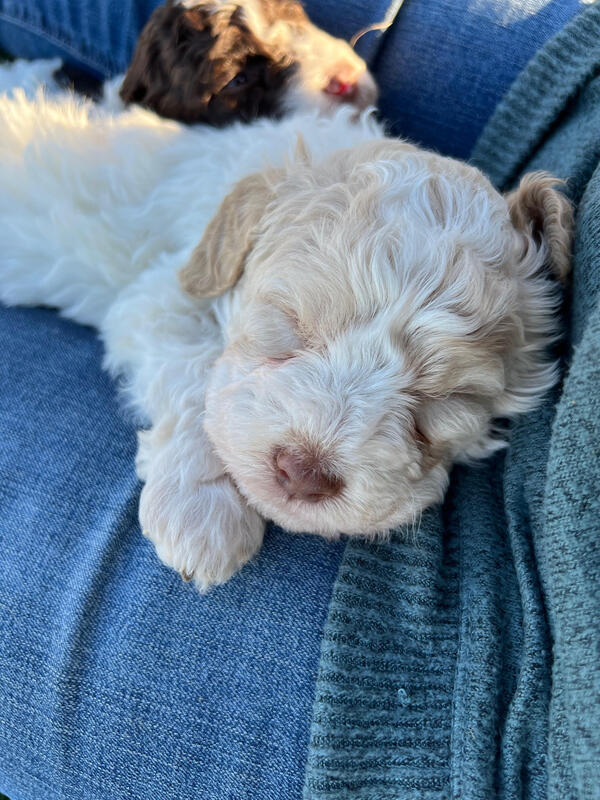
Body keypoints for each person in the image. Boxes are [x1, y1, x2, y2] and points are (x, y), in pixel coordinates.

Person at [0, 2, 594, 799]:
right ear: (241, 245)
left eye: (425, 410)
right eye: (288, 340)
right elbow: (164, 306)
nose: (310, 459)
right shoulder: (273, 202)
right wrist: (190, 446)